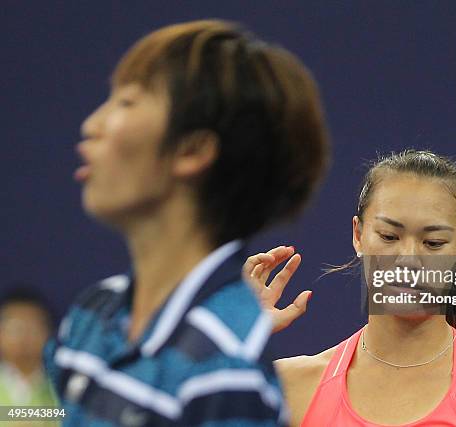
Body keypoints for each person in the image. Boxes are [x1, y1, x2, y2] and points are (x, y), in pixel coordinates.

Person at [45, 20, 329, 426]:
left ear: (192, 150)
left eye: (126, 102)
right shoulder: (94, 309)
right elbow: (46, 414)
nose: (92, 125)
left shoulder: (228, 372)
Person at [244, 149, 456, 426]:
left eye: (433, 243)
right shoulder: (290, 388)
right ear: (358, 235)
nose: (408, 260)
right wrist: (229, 342)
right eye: (389, 237)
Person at [0, 287, 57, 408]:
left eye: (33, 328)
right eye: (15, 329)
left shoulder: (63, 389)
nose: (25, 338)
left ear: (49, 333)